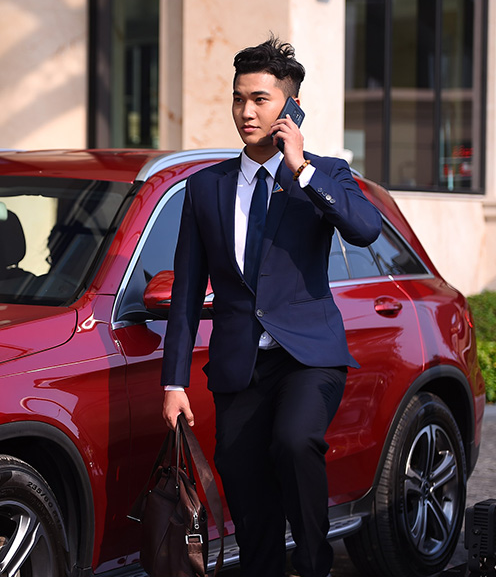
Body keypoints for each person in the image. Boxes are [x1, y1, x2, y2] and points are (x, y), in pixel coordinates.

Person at [160, 37, 382, 577]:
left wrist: (300, 167)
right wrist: (173, 382)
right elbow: (186, 291)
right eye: (239, 99)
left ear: (290, 106)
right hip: (239, 365)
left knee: (294, 441)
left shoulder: (324, 175)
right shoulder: (205, 188)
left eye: (260, 99)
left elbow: (364, 228)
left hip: (309, 357)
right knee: (246, 488)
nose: (246, 112)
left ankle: (313, 562)